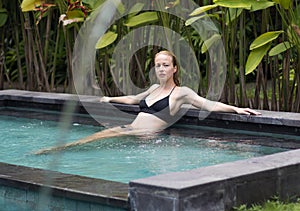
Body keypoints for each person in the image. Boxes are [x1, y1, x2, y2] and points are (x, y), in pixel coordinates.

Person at [35, 50, 261, 154]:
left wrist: (236, 109)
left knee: (93, 141)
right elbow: (134, 100)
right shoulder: (153, 88)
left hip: (145, 138)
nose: (161, 68)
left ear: (174, 68)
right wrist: (109, 97)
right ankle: (54, 150)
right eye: (157, 65)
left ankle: (52, 152)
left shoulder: (181, 92)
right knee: (91, 139)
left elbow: (208, 104)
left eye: (165, 65)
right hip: (130, 130)